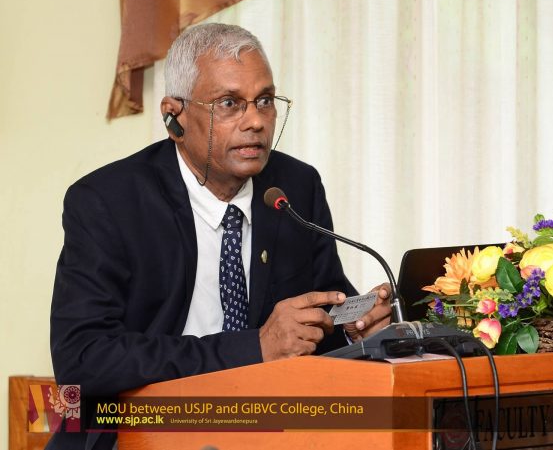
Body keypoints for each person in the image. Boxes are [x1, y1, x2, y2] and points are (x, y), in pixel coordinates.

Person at [48, 23, 391, 449]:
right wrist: (252, 348)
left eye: (265, 101)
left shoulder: (295, 187)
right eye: (230, 103)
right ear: (174, 115)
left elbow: (319, 314)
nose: (256, 121)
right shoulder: (109, 202)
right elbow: (82, 360)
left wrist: (356, 327)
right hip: (138, 432)